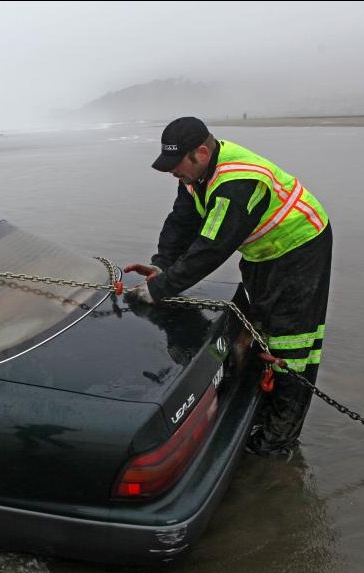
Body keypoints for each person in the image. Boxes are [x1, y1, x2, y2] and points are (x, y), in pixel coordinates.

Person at [125, 116, 332, 456]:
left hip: (301, 246)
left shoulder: (237, 183)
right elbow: (182, 220)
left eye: (177, 166)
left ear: (201, 152)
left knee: (293, 343)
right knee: (262, 324)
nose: (174, 173)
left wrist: (159, 289)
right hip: (263, 250)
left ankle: (277, 443)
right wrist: (161, 264)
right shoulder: (196, 175)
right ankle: (264, 397)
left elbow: (212, 248)